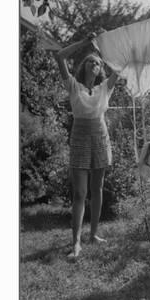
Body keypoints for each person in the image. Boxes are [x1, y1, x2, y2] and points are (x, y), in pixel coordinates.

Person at [55, 37, 118, 259]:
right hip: (80, 137)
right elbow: (60, 56)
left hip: (100, 136)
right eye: (90, 62)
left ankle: (93, 234)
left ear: (101, 69)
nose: (94, 64)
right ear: (84, 66)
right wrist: (85, 42)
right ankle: (76, 243)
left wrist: (105, 43)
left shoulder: (105, 88)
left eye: (98, 62)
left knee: (97, 189)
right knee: (80, 192)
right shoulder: (73, 85)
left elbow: (120, 65)